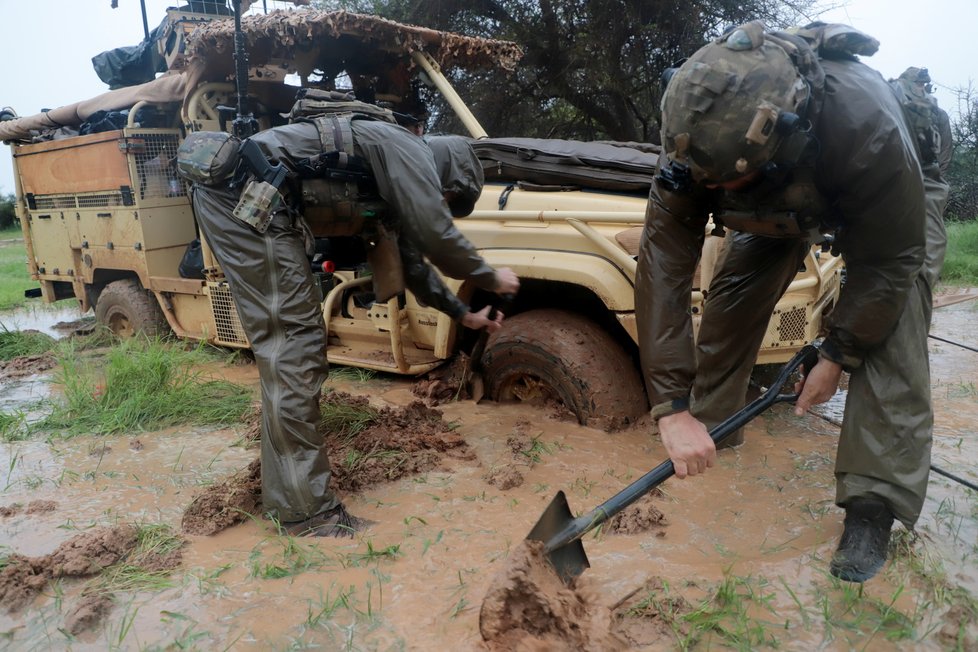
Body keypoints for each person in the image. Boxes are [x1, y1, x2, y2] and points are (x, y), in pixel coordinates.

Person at [635, 21, 948, 582]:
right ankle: (712, 427)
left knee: (895, 326)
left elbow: (888, 264)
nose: (715, 193)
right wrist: (671, 409)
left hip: (894, 197)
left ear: (782, 132)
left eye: (726, 181)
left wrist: (837, 354)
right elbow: (662, 269)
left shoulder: (865, 126)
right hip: (779, 196)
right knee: (731, 297)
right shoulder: (694, 135)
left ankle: (872, 506)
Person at [178, 118, 519, 538]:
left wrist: (462, 313)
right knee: (294, 348)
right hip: (246, 199)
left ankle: (288, 497)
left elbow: (411, 262)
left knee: (289, 354)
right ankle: (308, 517)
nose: (441, 201)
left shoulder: (386, 173)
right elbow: (435, 232)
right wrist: (489, 276)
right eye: (446, 196)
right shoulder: (409, 149)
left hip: (247, 203)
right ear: (447, 173)